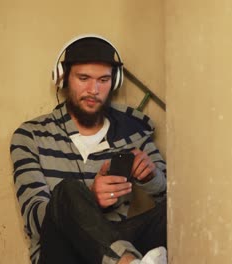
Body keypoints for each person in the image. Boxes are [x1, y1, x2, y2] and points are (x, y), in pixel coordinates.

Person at [10, 36, 167, 264]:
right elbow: (35, 222)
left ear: (114, 82)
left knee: (175, 214)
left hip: (114, 240)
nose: (93, 89)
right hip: (61, 253)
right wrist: (90, 197)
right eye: (83, 78)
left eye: (103, 80)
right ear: (63, 78)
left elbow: (173, 203)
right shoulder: (30, 136)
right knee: (68, 191)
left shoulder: (133, 133)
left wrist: (151, 177)